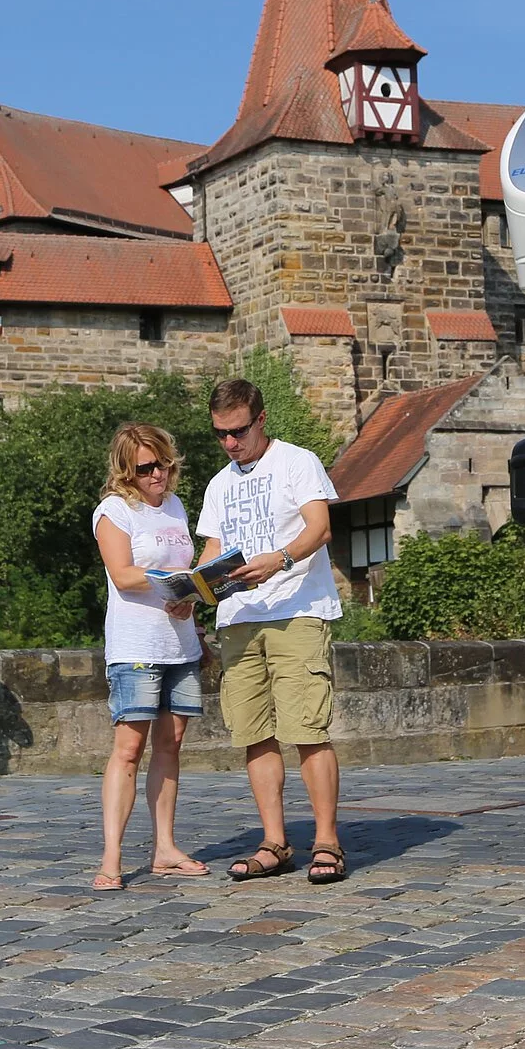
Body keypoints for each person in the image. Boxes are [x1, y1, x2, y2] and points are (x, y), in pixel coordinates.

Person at [196, 378, 346, 885]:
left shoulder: (296, 462)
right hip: (238, 619)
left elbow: (320, 528)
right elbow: (211, 552)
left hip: (296, 610)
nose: (230, 443)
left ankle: (326, 842)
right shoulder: (219, 484)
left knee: (307, 729)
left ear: (261, 419)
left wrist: (278, 560)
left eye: (238, 431)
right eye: (220, 434)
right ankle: (274, 843)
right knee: (254, 734)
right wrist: (192, 591)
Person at [90, 423, 211, 890]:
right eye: (146, 467)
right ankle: (112, 858)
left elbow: (187, 573)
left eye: (164, 462)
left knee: (170, 745)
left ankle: (165, 847)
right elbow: (123, 575)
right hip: (136, 645)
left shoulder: (176, 507)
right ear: (126, 469)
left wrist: (194, 594)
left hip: (179, 641)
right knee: (128, 750)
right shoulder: (115, 511)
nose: (158, 473)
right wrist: (175, 581)